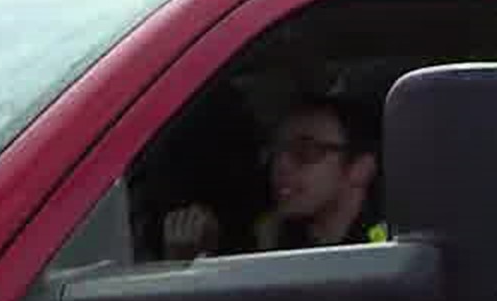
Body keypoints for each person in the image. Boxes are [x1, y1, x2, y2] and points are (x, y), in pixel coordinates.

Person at [163, 94, 384, 259]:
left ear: (361, 169)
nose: (281, 165)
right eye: (275, 151)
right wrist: (191, 260)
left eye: (305, 151)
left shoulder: (390, 248)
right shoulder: (270, 235)